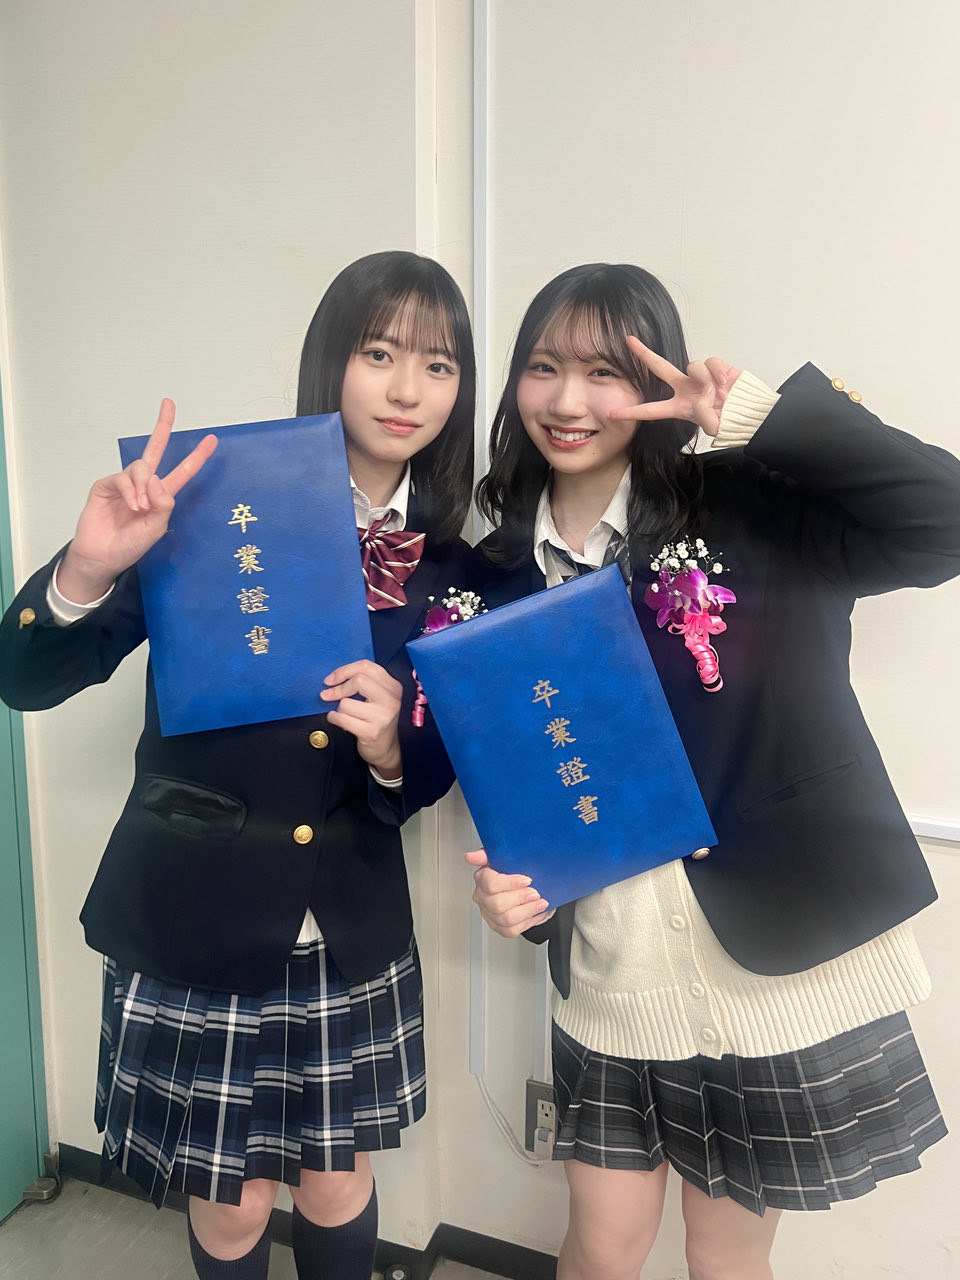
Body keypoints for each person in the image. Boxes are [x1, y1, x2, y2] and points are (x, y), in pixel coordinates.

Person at [467, 262, 959, 1280]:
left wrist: (757, 416)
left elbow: (943, 521)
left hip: (773, 951)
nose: (568, 400)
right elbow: (529, 775)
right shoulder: (496, 575)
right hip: (615, 967)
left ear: (652, 379)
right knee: (601, 1245)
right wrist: (516, 890)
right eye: (544, 368)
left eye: (603, 372)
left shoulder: (751, 505)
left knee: (726, 1256)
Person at [0, 250, 476, 1280]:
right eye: (380, 352)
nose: (407, 388)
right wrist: (89, 567)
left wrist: (393, 747)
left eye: (437, 365)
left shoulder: (456, 567)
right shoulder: (209, 505)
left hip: (345, 920)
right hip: (196, 913)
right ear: (329, 360)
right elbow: (26, 679)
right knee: (232, 1197)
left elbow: (444, 763)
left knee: (337, 1184)